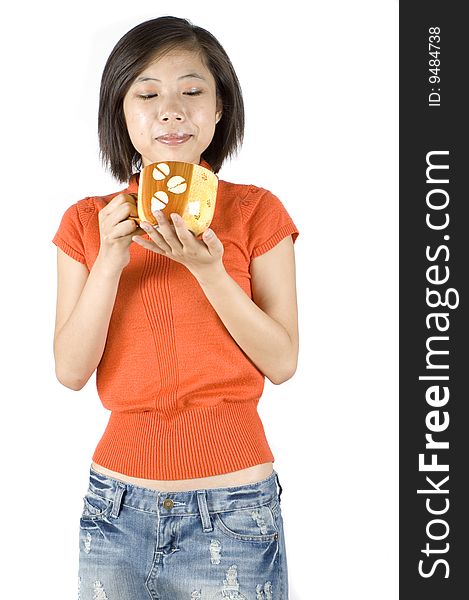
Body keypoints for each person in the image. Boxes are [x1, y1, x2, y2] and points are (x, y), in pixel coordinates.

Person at [52, 15, 300, 600]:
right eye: (147, 94)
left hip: (234, 507)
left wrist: (209, 272)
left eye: (192, 91)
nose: (171, 110)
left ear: (219, 110)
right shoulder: (88, 222)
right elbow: (69, 371)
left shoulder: (257, 212)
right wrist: (111, 258)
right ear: (121, 112)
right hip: (115, 508)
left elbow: (283, 361)